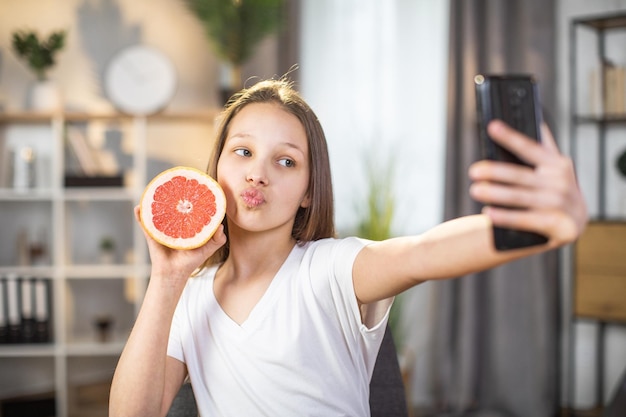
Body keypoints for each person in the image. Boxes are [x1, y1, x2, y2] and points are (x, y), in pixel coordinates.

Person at [109, 78, 587, 417]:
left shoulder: (330, 270)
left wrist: (534, 226)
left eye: (286, 161)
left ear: (309, 192)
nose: (258, 173)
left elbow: (422, 252)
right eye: (243, 152)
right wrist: (167, 279)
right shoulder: (188, 296)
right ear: (216, 170)